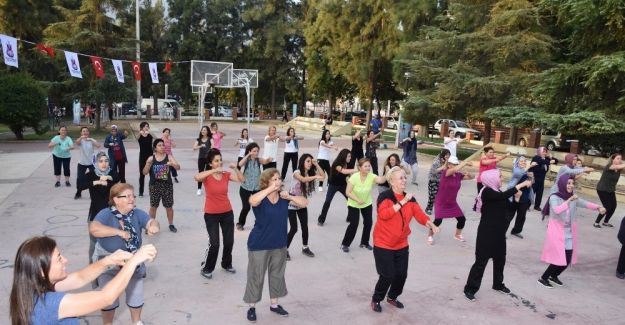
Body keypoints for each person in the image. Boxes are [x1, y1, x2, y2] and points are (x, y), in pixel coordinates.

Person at [9, 236, 156, 325]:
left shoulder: (31, 288)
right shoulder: (50, 304)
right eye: (59, 259)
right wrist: (134, 260)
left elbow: (79, 278)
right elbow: (106, 298)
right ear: (41, 271)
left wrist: (108, 260)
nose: (65, 260)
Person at [89, 183, 160, 325]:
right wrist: (119, 232)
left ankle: (137, 322)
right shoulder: (106, 214)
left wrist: (153, 226)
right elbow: (94, 229)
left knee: (136, 295)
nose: (132, 199)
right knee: (108, 298)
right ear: (115, 199)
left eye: (132, 195)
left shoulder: (137, 213)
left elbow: (152, 221)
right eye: (127, 196)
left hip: (132, 261)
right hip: (109, 263)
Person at [370, 166, 439, 313]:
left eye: (405, 177)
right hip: (383, 243)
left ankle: (392, 297)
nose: (404, 180)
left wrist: (430, 223)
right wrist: (402, 202)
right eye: (401, 178)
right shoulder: (385, 197)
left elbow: (419, 214)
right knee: (387, 275)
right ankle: (376, 299)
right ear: (392, 182)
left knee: (401, 274)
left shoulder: (410, 198)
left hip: (401, 244)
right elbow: (384, 215)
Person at [243, 168, 308, 322]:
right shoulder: (260, 198)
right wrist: (271, 189)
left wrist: (290, 196)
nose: (278, 181)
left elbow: (304, 203)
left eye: (279, 179)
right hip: (259, 244)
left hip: (279, 244)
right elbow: (252, 200)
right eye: (274, 179)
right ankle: (252, 307)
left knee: (277, 275)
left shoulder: (284, 197)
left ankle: (274, 305)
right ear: (266, 182)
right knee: (256, 277)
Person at [463, 169, 532, 301]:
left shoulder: (499, 192)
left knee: (500, 260)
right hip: (486, 233)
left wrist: (516, 200)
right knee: (481, 262)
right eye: (500, 177)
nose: (502, 179)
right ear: (492, 179)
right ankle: (470, 289)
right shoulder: (487, 191)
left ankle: (498, 284)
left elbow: (509, 210)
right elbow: (502, 197)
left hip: (499, 233)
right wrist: (521, 185)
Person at [537, 176, 605, 288]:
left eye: (572, 183)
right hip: (556, 231)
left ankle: (554, 275)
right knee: (558, 257)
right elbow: (556, 210)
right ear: (563, 184)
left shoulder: (572, 197)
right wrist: (569, 201)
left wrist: (598, 207)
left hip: (568, 232)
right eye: (568, 183)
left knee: (568, 258)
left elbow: (585, 203)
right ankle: (543, 278)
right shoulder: (555, 197)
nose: (571, 185)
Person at [194, 148, 244, 279]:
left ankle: (226, 264)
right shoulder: (207, 175)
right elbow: (196, 177)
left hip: (227, 212)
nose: (220, 162)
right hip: (211, 214)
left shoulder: (226, 174)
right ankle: (207, 268)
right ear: (211, 163)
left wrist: (236, 168)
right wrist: (213, 170)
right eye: (216, 161)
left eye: (220, 160)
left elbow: (241, 180)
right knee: (215, 243)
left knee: (229, 242)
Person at [78, 152, 119, 264]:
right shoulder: (91, 174)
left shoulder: (113, 174)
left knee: (114, 242)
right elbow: (80, 186)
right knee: (93, 243)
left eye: (106, 161)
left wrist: (108, 180)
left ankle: (114, 267)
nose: (104, 164)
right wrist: (95, 182)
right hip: (95, 214)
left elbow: (117, 181)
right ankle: (92, 270)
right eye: (100, 161)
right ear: (96, 163)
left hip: (111, 214)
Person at [340, 158, 387, 252]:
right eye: (365, 166)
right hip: (353, 203)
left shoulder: (371, 176)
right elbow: (347, 192)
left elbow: (381, 180)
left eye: (369, 166)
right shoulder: (354, 177)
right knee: (354, 223)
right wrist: (357, 200)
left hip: (366, 203)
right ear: (360, 167)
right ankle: (345, 244)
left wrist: (389, 172)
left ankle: (364, 242)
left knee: (368, 223)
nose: (368, 168)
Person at [286, 154, 325, 260]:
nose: (309, 164)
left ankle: (305, 247)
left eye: (310, 162)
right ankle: (284, 249)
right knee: (294, 228)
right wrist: (316, 176)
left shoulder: (310, 172)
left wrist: (316, 164)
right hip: (292, 203)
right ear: (302, 161)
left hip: (302, 203)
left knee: (305, 227)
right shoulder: (296, 172)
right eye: (307, 161)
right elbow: (303, 180)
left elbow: (323, 176)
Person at [429, 156, 473, 245]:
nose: (456, 166)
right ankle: (430, 236)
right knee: (438, 221)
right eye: (454, 164)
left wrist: (469, 174)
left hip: (452, 203)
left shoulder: (458, 175)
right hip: (441, 202)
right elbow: (453, 170)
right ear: (449, 165)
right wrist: (464, 163)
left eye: (456, 164)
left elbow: (472, 177)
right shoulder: (445, 173)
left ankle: (457, 235)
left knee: (462, 219)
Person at [143, 139, 181, 233]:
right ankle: (151, 225)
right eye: (159, 145)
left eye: (163, 145)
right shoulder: (151, 158)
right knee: (153, 206)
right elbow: (144, 172)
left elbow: (178, 167)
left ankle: (171, 224)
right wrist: (148, 164)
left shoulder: (169, 157)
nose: (162, 147)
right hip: (154, 185)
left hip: (167, 185)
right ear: (155, 147)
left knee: (169, 206)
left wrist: (173, 164)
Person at [236, 142, 273, 230]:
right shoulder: (246, 160)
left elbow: (265, 161)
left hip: (256, 188)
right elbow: (240, 164)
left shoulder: (258, 160)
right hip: (245, 187)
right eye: (254, 151)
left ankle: (259, 223)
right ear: (250, 151)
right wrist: (248, 155)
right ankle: (240, 223)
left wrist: (269, 159)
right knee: (246, 207)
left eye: (257, 151)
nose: (256, 153)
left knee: (258, 206)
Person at [317, 149, 358, 226]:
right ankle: (321, 219)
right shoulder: (336, 163)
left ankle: (350, 217)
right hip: (333, 185)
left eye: (350, 156)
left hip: (343, 184)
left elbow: (350, 174)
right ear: (344, 156)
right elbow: (344, 171)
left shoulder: (349, 164)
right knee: (327, 201)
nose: (350, 158)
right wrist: (357, 169)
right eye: (349, 156)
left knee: (350, 199)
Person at [506, 156, 537, 239]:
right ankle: (502, 231)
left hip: (525, 197)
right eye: (521, 161)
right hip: (514, 195)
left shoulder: (527, 170)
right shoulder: (516, 170)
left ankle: (516, 231)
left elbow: (532, 182)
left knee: (522, 215)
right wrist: (530, 166)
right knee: (509, 215)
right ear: (517, 163)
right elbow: (519, 174)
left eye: (524, 161)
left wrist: (531, 178)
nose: (523, 162)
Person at [594, 153, 625, 228]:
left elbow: (621, 166)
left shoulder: (619, 168)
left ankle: (605, 222)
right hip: (602, 189)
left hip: (611, 190)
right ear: (612, 159)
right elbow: (617, 166)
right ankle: (596, 222)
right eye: (617, 158)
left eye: (620, 159)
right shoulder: (609, 166)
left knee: (613, 206)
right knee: (607, 206)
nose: (619, 160)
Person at [74, 127, 100, 199]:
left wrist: (91, 139)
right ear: (81, 133)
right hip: (82, 163)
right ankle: (78, 192)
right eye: (83, 131)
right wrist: (81, 137)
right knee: (80, 178)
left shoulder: (91, 140)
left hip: (91, 162)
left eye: (86, 131)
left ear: (89, 133)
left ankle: (93, 193)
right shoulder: (81, 141)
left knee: (94, 178)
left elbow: (98, 146)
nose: (85, 132)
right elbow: (77, 142)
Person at [528, 147, 558, 211]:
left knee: (540, 193)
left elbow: (556, 161)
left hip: (541, 179)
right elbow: (542, 161)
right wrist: (550, 161)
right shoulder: (536, 157)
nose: (544, 153)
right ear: (539, 151)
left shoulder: (546, 159)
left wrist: (551, 157)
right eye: (543, 151)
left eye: (545, 152)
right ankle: (527, 205)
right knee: (531, 192)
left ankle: (537, 206)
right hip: (534, 179)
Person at [425, 149, 450, 215]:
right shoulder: (436, 161)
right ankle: (428, 209)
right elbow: (433, 171)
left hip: (441, 181)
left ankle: (440, 208)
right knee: (432, 196)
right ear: (443, 155)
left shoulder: (447, 161)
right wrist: (443, 167)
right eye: (447, 155)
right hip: (433, 180)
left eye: (448, 155)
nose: (448, 157)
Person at [193, 126, 212, 196]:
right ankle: (199, 189)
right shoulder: (198, 139)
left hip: (208, 159)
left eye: (205, 130)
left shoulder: (210, 139)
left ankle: (208, 188)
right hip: (201, 158)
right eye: (202, 130)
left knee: (208, 173)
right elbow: (194, 147)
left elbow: (213, 145)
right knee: (201, 173)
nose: (203, 131)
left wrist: (211, 149)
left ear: (207, 131)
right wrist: (200, 146)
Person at [137, 122, 153, 197]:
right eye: (145, 126)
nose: (147, 127)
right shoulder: (140, 135)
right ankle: (141, 192)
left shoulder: (150, 135)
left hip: (150, 156)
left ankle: (152, 191)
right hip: (142, 157)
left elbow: (156, 139)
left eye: (147, 126)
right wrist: (140, 133)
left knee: (152, 175)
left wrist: (149, 132)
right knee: (142, 174)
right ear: (142, 127)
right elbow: (136, 138)